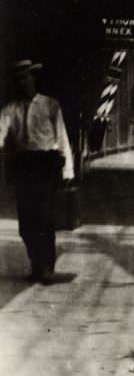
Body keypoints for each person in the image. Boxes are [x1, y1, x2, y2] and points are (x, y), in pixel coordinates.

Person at [0, 60, 74, 284]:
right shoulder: (10, 109)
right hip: (24, 165)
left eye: (26, 77)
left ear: (34, 78)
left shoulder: (50, 105)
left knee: (44, 217)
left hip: (45, 165)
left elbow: (61, 137)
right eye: (19, 79)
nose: (23, 83)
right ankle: (36, 262)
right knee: (26, 222)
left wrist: (68, 169)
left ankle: (46, 267)